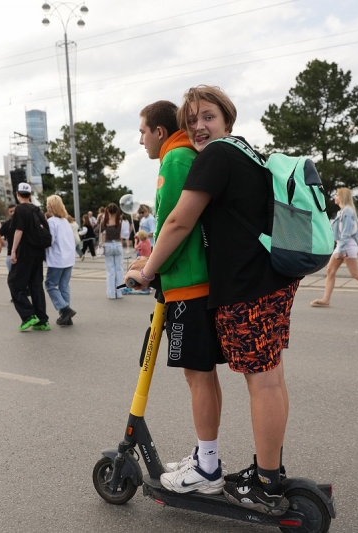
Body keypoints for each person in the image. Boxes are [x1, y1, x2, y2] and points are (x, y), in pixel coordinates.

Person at [126, 86, 299, 515]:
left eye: (208, 116)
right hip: (272, 277)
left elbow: (180, 222)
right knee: (270, 380)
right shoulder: (242, 151)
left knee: (263, 382)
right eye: (193, 120)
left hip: (249, 285)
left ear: (226, 118)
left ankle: (263, 485)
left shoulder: (218, 155)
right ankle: (266, 475)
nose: (199, 127)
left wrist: (146, 272)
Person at [128, 98, 227, 495]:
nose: (140, 141)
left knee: (197, 376)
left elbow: (175, 222)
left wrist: (146, 269)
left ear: (160, 132)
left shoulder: (175, 159)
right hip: (195, 281)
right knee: (203, 374)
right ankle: (207, 457)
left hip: (188, 284)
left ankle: (206, 469)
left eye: (142, 132)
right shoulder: (187, 154)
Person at [310, 188, 358, 309]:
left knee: (355, 274)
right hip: (343, 245)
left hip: (346, 246)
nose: (335, 197)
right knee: (330, 271)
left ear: (342, 197)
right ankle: (325, 299)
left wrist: (342, 250)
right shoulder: (343, 211)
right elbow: (352, 233)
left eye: (337, 195)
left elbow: (347, 232)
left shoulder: (347, 212)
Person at [8, 183, 51, 331]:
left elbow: (19, 231)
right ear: (30, 194)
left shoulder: (20, 209)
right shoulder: (37, 210)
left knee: (14, 282)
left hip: (25, 252)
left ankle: (28, 315)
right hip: (38, 253)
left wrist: (13, 251)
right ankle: (42, 320)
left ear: (17, 194)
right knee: (35, 285)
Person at [44, 195, 77, 326]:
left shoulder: (51, 222)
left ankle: (65, 310)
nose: (46, 206)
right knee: (64, 286)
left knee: (50, 285)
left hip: (57, 259)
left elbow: (49, 241)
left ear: (51, 206)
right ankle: (66, 317)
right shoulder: (65, 222)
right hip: (68, 258)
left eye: (48, 204)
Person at [99, 203, 127, 299]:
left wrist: (101, 218)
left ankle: (111, 294)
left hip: (108, 244)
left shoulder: (105, 221)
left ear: (107, 211)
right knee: (119, 270)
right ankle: (119, 293)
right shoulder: (119, 221)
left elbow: (97, 230)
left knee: (110, 271)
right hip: (118, 244)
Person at [0, 204, 16, 272]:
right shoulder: (7, 224)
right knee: (12, 274)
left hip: (23, 253)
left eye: (14, 211)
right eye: (10, 211)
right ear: (8, 213)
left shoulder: (24, 222)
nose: (12, 213)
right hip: (10, 252)